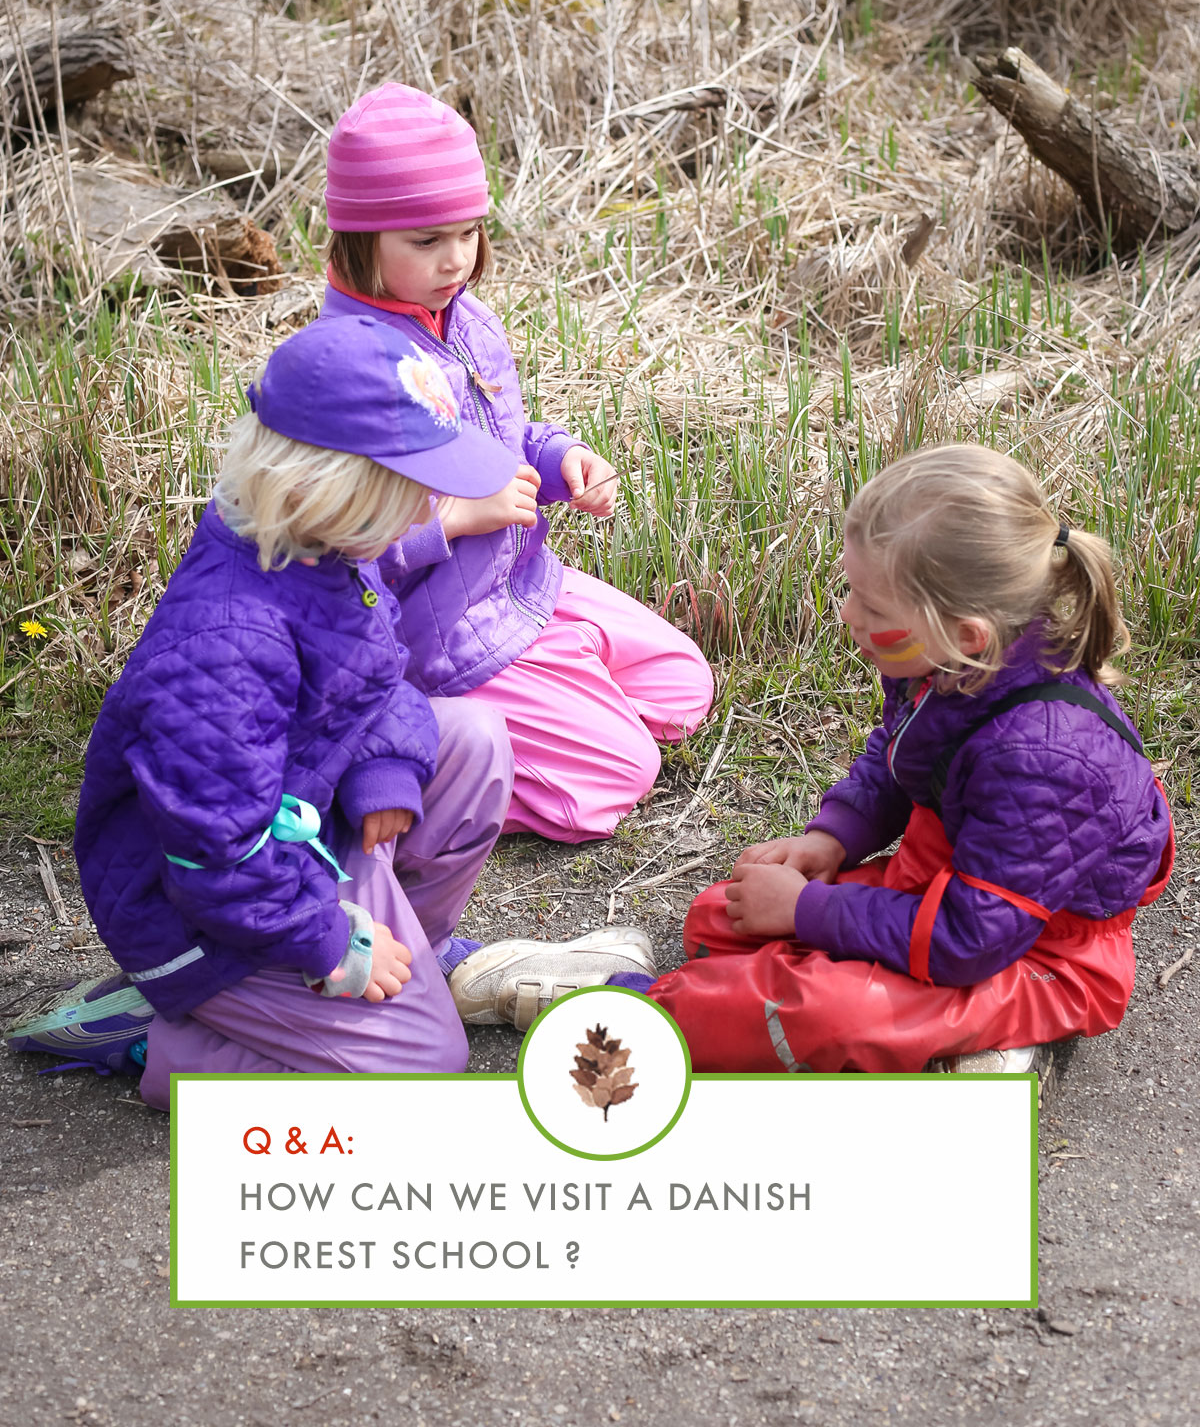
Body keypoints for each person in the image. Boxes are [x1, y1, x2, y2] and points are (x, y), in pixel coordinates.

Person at [5, 316, 654, 1101]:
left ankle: (404, 956)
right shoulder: (225, 643)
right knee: (421, 1064)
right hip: (201, 918)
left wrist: (383, 765)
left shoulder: (321, 548)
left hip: (292, 829)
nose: (429, 512)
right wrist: (324, 943)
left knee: (474, 738)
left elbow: (375, 676)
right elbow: (217, 855)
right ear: (330, 487)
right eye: (412, 490)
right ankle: (165, 1042)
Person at [605, 445, 1174, 1074]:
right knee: (722, 915)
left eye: (873, 608)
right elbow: (898, 757)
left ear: (966, 633)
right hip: (954, 885)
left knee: (815, 1012)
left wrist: (804, 910)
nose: (847, 614)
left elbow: (968, 937)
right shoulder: (942, 665)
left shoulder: (1046, 758)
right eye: (853, 590)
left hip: (1038, 951)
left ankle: (666, 1026)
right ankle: (920, 1031)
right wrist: (833, 838)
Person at [318, 81, 714, 844]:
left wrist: (561, 457)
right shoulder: (344, 368)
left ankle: (558, 694)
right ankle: (399, 750)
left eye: (467, 233)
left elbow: (502, 435)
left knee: (682, 688)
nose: (455, 259)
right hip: (435, 636)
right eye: (426, 242)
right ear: (362, 238)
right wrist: (457, 518)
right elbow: (336, 548)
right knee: (614, 782)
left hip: (519, 582)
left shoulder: (465, 323)